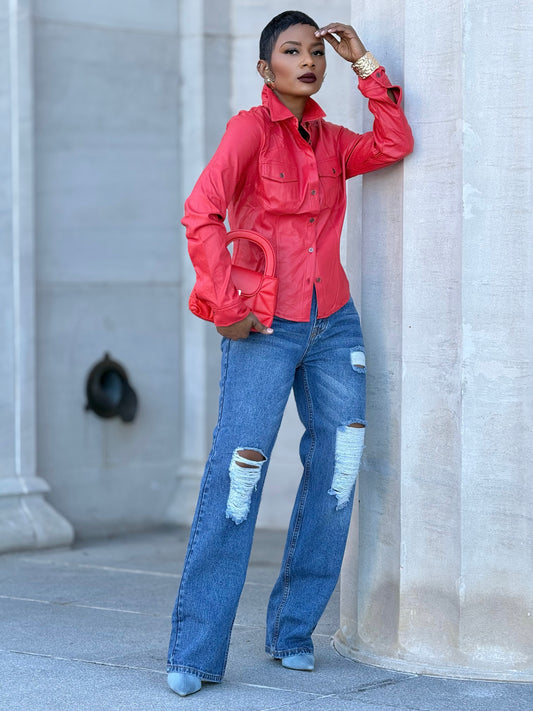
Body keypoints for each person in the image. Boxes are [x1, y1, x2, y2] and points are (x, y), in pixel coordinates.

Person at [167, 10, 413, 697]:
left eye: (315, 52)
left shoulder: (333, 142)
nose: (307, 60)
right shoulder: (248, 130)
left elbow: (393, 141)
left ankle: (292, 631)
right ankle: (194, 650)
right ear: (264, 67)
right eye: (290, 50)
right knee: (237, 480)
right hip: (263, 326)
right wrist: (227, 305)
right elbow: (200, 212)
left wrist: (364, 62)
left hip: (332, 323)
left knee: (338, 472)